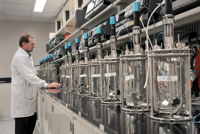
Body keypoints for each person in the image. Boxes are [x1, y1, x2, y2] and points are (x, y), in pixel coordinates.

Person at [11, 34, 60, 134]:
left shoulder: (27, 56)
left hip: (28, 99)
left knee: (32, 121)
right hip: (22, 101)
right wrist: (46, 84)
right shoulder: (20, 57)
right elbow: (30, 76)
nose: (34, 46)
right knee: (22, 129)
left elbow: (33, 74)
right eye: (32, 44)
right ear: (24, 44)